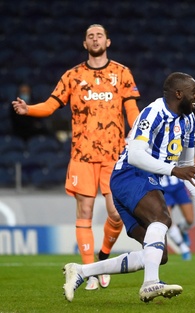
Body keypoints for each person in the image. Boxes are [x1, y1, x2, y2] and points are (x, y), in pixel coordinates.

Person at [62, 72, 195, 303]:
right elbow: (136, 155)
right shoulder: (153, 112)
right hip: (129, 174)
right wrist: (173, 170)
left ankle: (81, 271)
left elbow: (186, 164)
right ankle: (150, 284)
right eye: (193, 92)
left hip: (146, 180)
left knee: (158, 255)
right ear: (179, 94)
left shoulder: (189, 120)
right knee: (162, 218)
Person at [12, 24, 140, 290]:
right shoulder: (72, 76)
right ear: (85, 44)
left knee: (116, 214)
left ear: (108, 41)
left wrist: (138, 133)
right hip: (82, 155)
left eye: (99, 35)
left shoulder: (122, 73)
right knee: (85, 211)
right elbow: (50, 105)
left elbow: (131, 110)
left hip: (113, 155)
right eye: (90, 36)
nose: (95, 39)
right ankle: (88, 272)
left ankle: (102, 258)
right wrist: (28, 109)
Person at [164, 155, 195, 261]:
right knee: (168, 220)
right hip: (162, 186)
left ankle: (182, 229)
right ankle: (184, 249)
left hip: (179, 185)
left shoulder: (176, 141)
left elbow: (192, 158)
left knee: (190, 219)